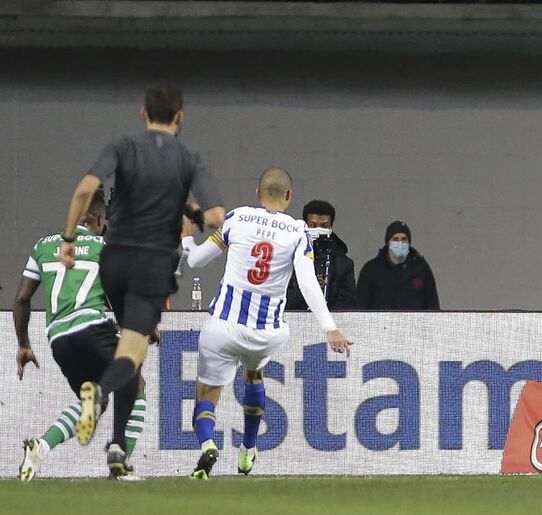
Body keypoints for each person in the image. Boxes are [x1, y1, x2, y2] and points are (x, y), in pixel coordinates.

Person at [57, 85, 225, 470]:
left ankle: (117, 446)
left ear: (142, 114)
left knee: (130, 348)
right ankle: (99, 392)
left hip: (113, 261)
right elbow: (215, 218)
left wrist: (68, 238)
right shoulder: (188, 157)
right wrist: (197, 217)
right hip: (152, 263)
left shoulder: (124, 146)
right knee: (132, 354)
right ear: (180, 117)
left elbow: (86, 188)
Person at [180, 167, 351, 479]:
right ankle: (247, 449)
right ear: (289, 196)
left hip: (224, 326)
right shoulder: (298, 232)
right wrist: (330, 327)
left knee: (207, 392)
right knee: (253, 374)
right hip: (267, 333)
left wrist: (187, 239)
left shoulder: (237, 218)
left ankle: (207, 444)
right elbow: (309, 283)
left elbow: (196, 260)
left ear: (258, 193)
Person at [14, 190, 147, 479]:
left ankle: (41, 447)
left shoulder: (43, 245)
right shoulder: (103, 246)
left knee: (94, 403)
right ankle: (119, 453)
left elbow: (22, 299)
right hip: (91, 327)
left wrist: (24, 344)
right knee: (134, 377)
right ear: (100, 219)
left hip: (58, 340)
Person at [285, 200, 357, 310]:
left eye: (324, 226)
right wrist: (306, 289)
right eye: (313, 225)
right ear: (305, 226)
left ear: (331, 227)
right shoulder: (289, 259)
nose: (318, 230)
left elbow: (349, 303)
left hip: (330, 324)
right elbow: (281, 299)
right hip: (295, 322)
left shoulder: (344, 264)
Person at [356, 220, 440, 310]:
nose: (400, 243)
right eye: (395, 239)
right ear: (388, 242)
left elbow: (432, 304)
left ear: (409, 242)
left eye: (404, 239)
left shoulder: (421, 268)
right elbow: (360, 306)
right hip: (381, 323)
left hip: (414, 323)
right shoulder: (371, 270)